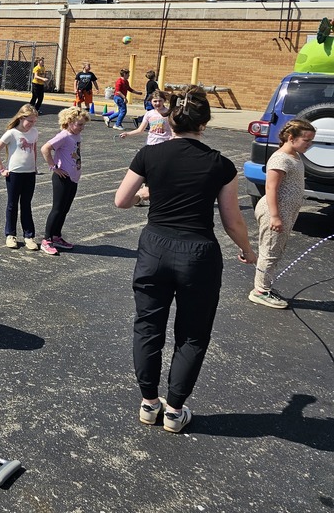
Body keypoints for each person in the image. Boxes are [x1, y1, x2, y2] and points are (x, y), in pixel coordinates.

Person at [114, 87, 257, 434]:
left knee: (148, 326)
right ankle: (175, 410)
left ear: (171, 120)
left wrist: (150, 194)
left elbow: (122, 200)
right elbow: (231, 219)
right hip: (198, 252)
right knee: (192, 335)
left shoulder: (150, 156)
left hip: (155, 247)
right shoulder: (220, 164)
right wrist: (248, 250)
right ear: (204, 125)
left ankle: (149, 403)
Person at [251, 118, 315, 309]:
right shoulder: (281, 159)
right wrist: (275, 216)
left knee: (276, 250)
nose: (309, 145)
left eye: (311, 141)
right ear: (290, 137)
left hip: (286, 211)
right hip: (275, 211)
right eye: (306, 140)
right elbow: (271, 188)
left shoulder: (294, 156)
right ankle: (260, 291)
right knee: (270, 250)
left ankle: (265, 286)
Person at [40, 106, 89, 254]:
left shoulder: (76, 135)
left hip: (73, 178)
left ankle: (56, 236)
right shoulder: (64, 135)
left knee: (65, 209)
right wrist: (53, 167)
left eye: (83, 125)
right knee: (57, 209)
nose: (82, 128)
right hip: (62, 177)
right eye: (79, 124)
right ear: (69, 122)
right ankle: (46, 240)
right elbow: (45, 148)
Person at [0, 104, 41, 251]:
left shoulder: (34, 132)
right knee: (12, 204)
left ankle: (29, 236)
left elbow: (33, 150)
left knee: (26, 204)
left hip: (30, 173)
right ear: (21, 118)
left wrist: (35, 165)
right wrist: (2, 169)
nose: (32, 124)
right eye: (29, 121)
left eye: (34, 122)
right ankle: (11, 234)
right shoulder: (12, 133)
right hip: (14, 174)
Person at [119, 90, 172, 206]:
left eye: (160, 101)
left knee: (162, 171)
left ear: (164, 101)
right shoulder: (149, 114)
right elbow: (140, 130)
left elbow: (173, 131)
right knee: (148, 171)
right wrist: (128, 134)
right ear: (151, 102)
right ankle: (144, 194)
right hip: (151, 146)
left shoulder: (168, 113)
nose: (157, 103)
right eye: (155, 101)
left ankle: (158, 194)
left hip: (165, 147)